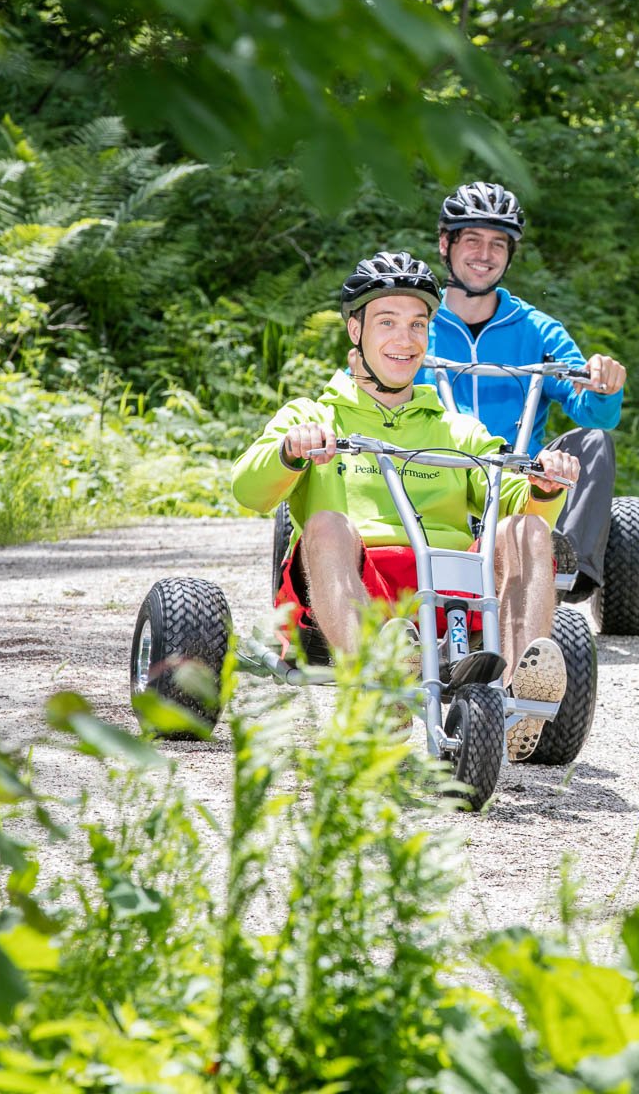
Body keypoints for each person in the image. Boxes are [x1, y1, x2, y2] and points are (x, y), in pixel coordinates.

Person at [230, 251, 579, 760]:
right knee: (325, 523)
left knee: (526, 531)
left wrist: (544, 486)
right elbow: (248, 491)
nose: (406, 339)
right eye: (387, 322)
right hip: (350, 581)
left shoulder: (457, 430)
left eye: (418, 324)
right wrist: (291, 451)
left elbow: (512, 501)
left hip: (451, 593)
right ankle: (376, 683)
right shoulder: (314, 416)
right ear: (355, 330)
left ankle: (515, 702)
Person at [422, 182, 627, 601]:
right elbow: (365, 388)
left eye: (498, 244)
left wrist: (604, 385)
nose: (485, 254)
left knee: (594, 441)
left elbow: (594, 414)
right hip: (432, 473)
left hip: (522, 479)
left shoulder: (537, 330)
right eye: (472, 240)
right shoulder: (414, 321)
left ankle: (561, 563)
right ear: (446, 244)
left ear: (510, 254)